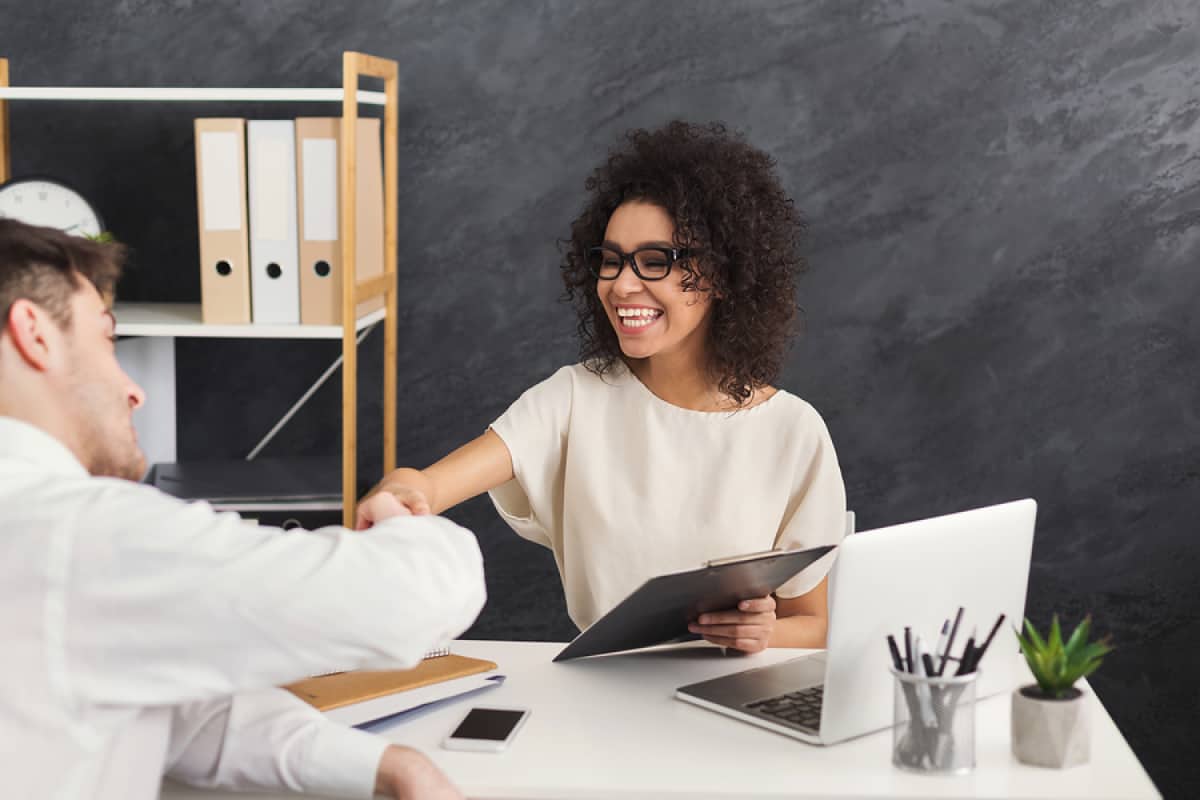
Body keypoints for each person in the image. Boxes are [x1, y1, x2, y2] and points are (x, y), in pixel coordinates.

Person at [0, 217, 486, 800]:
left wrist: (387, 765)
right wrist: (400, 519)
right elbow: (411, 599)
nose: (133, 389)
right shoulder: (74, 534)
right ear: (34, 333)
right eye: (107, 339)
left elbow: (179, 715)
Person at [360, 121, 847, 654]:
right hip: (603, 689)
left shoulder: (793, 432)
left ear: (722, 274)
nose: (621, 284)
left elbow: (815, 625)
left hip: (731, 692)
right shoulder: (575, 398)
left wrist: (763, 633)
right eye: (610, 260)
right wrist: (404, 490)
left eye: (656, 261)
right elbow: (431, 486)